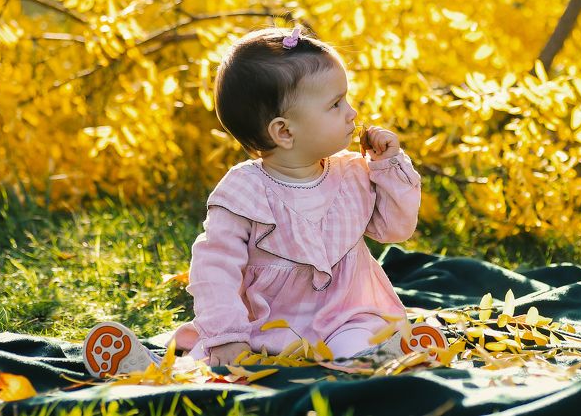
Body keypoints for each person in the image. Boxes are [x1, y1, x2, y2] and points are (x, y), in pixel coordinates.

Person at [82, 27, 445, 378]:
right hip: (267, 323)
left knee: (360, 339)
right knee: (226, 364)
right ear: (284, 131)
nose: (351, 112)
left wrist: (387, 167)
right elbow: (215, 270)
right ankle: (146, 367)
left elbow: (396, 229)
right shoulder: (244, 191)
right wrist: (228, 334)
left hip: (345, 316)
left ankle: (379, 358)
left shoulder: (353, 174)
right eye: (336, 104)